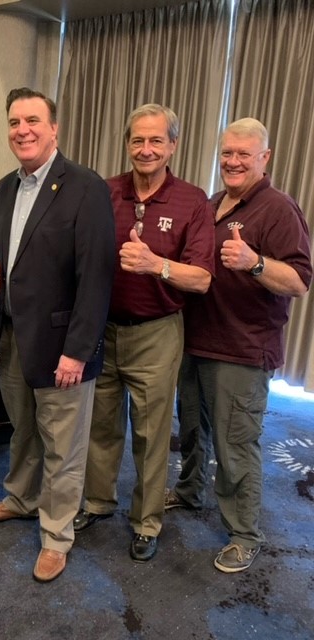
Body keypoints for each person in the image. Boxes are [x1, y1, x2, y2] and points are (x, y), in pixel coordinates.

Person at [0, 87, 116, 583]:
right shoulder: (3, 188)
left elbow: (96, 277)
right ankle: (21, 497)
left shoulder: (85, 187)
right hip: (12, 338)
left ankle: (56, 536)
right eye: (15, 122)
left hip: (62, 348)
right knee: (24, 429)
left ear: (54, 128)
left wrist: (77, 352)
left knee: (63, 446)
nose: (23, 130)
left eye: (33, 120)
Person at [165, 118, 312, 573]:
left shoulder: (278, 209)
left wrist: (254, 262)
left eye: (243, 154)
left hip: (242, 350)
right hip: (196, 341)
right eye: (227, 152)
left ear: (264, 158)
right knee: (193, 429)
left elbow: (299, 281)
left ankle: (245, 533)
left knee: (235, 446)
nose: (232, 161)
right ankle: (190, 490)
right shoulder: (211, 204)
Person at [74, 104, 215, 563]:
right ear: (127, 144)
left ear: (173, 146)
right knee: (101, 423)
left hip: (157, 332)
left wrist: (156, 264)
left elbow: (202, 278)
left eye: (156, 140)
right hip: (103, 329)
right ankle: (98, 501)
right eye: (138, 140)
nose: (146, 149)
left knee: (152, 434)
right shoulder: (104, 191)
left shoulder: (192, 200)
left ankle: (146, 522)